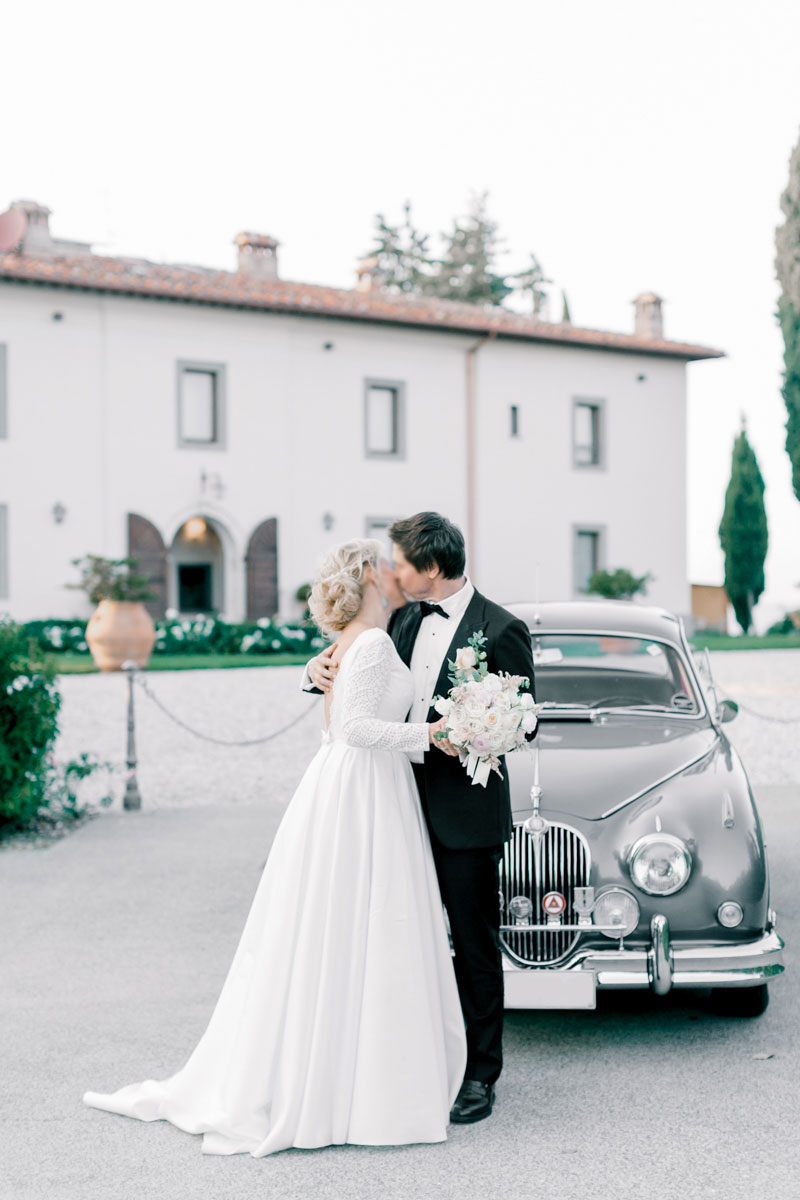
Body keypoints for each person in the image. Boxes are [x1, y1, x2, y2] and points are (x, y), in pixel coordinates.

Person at [84, 538, 466, 1156]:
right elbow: (357, 729)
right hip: (364, 788)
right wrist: (435, 732)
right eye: (386, 566)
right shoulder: (368, 644)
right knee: (363, 923)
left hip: (360, 787)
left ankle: (349, 1076)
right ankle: (359, 1089)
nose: (397, 573)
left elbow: (344, 700)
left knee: (347, 928)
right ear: (369, 578)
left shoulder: (358, 641)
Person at [305, 512, 536, 1124]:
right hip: (391, 805)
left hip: (464, 815)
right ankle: (414, 1059)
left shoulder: (502, 627)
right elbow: (355, 674)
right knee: (398, 937)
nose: (394, 571)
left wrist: (493, 726)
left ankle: (481, 1075)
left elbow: (526, 718)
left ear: (430, 568)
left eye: (403, 562)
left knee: (473, 945)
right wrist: (312, 671)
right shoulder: (400, 619)